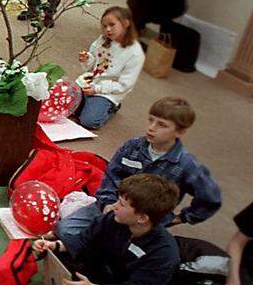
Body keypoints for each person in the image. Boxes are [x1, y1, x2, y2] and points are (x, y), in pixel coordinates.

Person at [33, 174, 180, 285]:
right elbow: (83, 240)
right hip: (108, 273)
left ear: (142, 218)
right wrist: (54, 245)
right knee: (65, 259)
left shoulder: (163, 253)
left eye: (122, 204)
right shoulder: (114, 219)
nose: (114, 206)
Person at [55, 97, 222, 241]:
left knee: (120, 255)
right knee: (65, 230)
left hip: (144, 224)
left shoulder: (186, 164)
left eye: (162, 125)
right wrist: (108, 203)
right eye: (151, 120)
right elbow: (111, 175)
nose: (152, 128)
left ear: (180, 131)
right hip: (114, 207)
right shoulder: (132, 146)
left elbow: (211, 199)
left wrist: (180, 218)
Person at [73, 6, 143, 130]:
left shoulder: (135, 53)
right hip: (89, 83)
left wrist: (97, 89)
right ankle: (85, 105)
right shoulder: (102, 40)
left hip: (107, 92)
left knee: (88, 121)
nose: (108, 30)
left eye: (112, 25)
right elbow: (92, 66)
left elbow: (124, 85)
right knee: (62, 100)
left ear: (126, 23)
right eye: (104, 26)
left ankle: (111, 108)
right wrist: (87, 59)